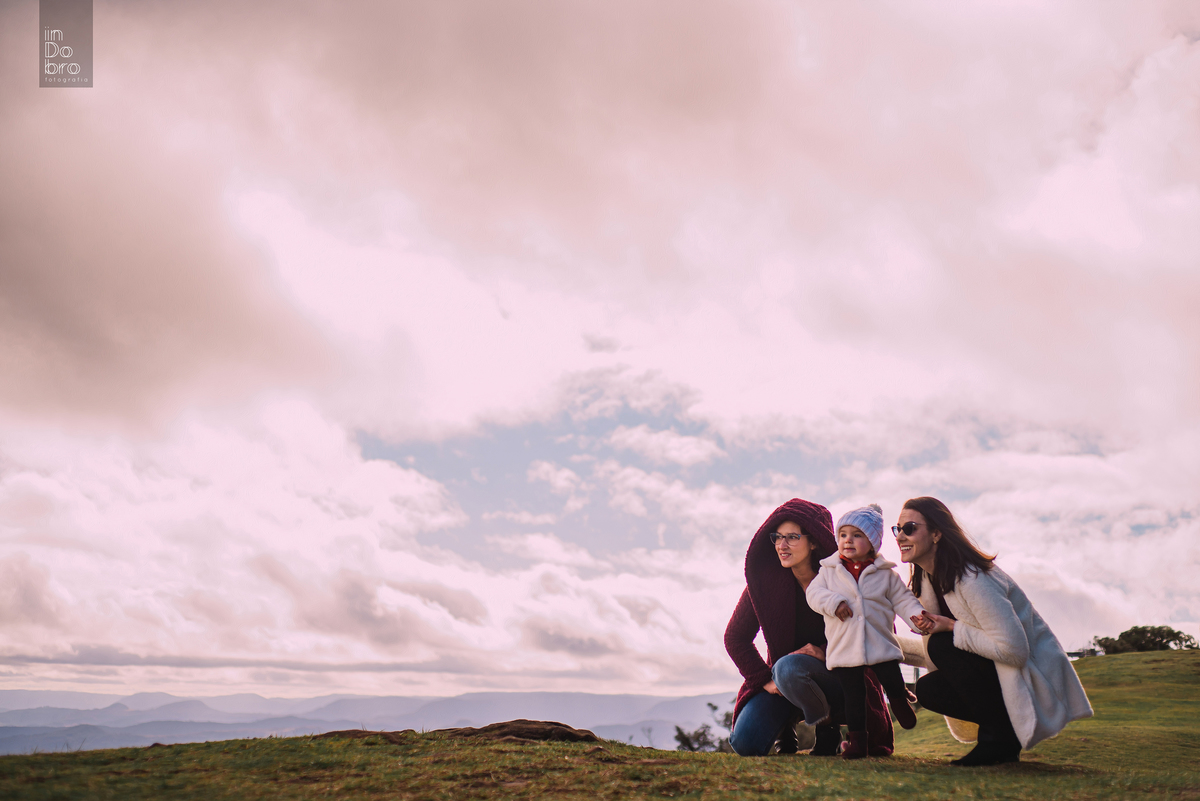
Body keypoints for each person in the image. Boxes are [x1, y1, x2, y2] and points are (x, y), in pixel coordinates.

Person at [896, 496, 1093, 766]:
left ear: (937, 533)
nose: (899, 537)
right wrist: (877, 648)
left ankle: (998, 740)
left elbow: (1014, 650)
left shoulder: (972, 578)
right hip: (993, 672)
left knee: (942, 643)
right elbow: (942, 652)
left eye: (909, 528)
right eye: (897, 529)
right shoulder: (928, 583)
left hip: (1025, 677)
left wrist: (951, 626)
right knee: (928, 688)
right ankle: (1001, 735)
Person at [724, 498, 896, 757]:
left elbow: (878, 630)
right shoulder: (764, 586)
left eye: (792, 537)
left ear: (813, 540)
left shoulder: (846, 580)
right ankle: (786, 727)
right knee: (746, 743)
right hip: (782, 682)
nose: (782, 545)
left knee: (789, 666)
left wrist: (826, 651)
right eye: (777, 537)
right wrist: (763, 680)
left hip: (841, 677)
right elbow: (735, 638)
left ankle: (828, 727)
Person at [806, 504, 928, 759]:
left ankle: (898, 701)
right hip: (846, 647)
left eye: (857, 535)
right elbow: (814, 595)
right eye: (843, 535)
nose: (848, 540)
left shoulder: (885, 574)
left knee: (891, 676)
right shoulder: (828, 571)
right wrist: (834, 603)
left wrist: (917, 619)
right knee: (854, 697)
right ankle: (858, 741)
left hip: (879, 642)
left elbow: (904, 600)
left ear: (872, 543)